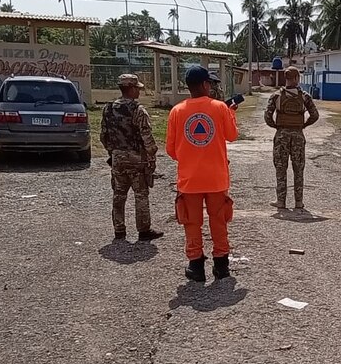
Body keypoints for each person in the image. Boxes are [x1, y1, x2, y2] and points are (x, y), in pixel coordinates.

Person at [166, 65, 239, 282]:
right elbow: (232, 136)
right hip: (217, 178)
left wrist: (191, 156)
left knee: (191, 222)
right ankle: (221, 266)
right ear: (206, 84)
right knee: (218, 221)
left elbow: (171, 149)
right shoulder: (220, 108)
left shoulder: (177, 111)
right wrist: (231, 114)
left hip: (190, 180)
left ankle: (196, 266)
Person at [100, 74, 164, 242]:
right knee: (141, 194)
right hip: (136, 157)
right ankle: (143, 230)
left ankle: (119, 230)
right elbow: (147, 137)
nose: (139, 92)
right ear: (132, 89)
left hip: (117, 156)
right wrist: (151, 155)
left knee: (119, 194)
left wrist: (112, 152)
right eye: (138, 89)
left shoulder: (108, 109)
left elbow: (103, 136)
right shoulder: (138, 110)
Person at [264, 67, 319, 211]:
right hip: (298, 136)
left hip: (281, 135)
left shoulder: (276, 96)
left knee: (281, 169)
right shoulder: (305, 96)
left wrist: (277, 127)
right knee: (298, 169)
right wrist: (304, 125)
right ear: (297, 78)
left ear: (285, 78)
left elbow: (267, 117)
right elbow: (315, 115)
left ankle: (281, 201)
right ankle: (298, 202)